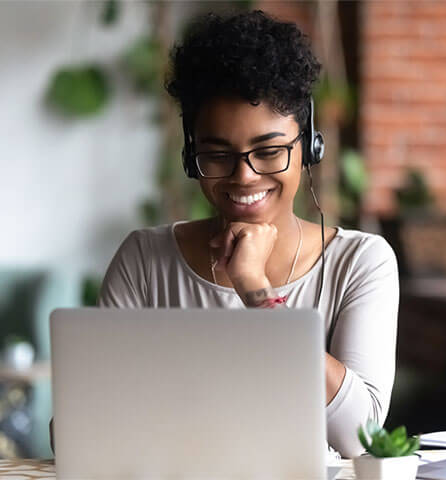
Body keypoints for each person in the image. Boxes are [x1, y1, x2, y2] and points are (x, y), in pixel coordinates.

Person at [96, 10, 399, 459]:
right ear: (190, 155)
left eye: (269, 151)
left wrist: (257, 291)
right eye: (218, 155)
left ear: (309, 147)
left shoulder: (360, 262)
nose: (244, 176)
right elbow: (80, 431)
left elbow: (362, 437)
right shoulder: (145, 259)